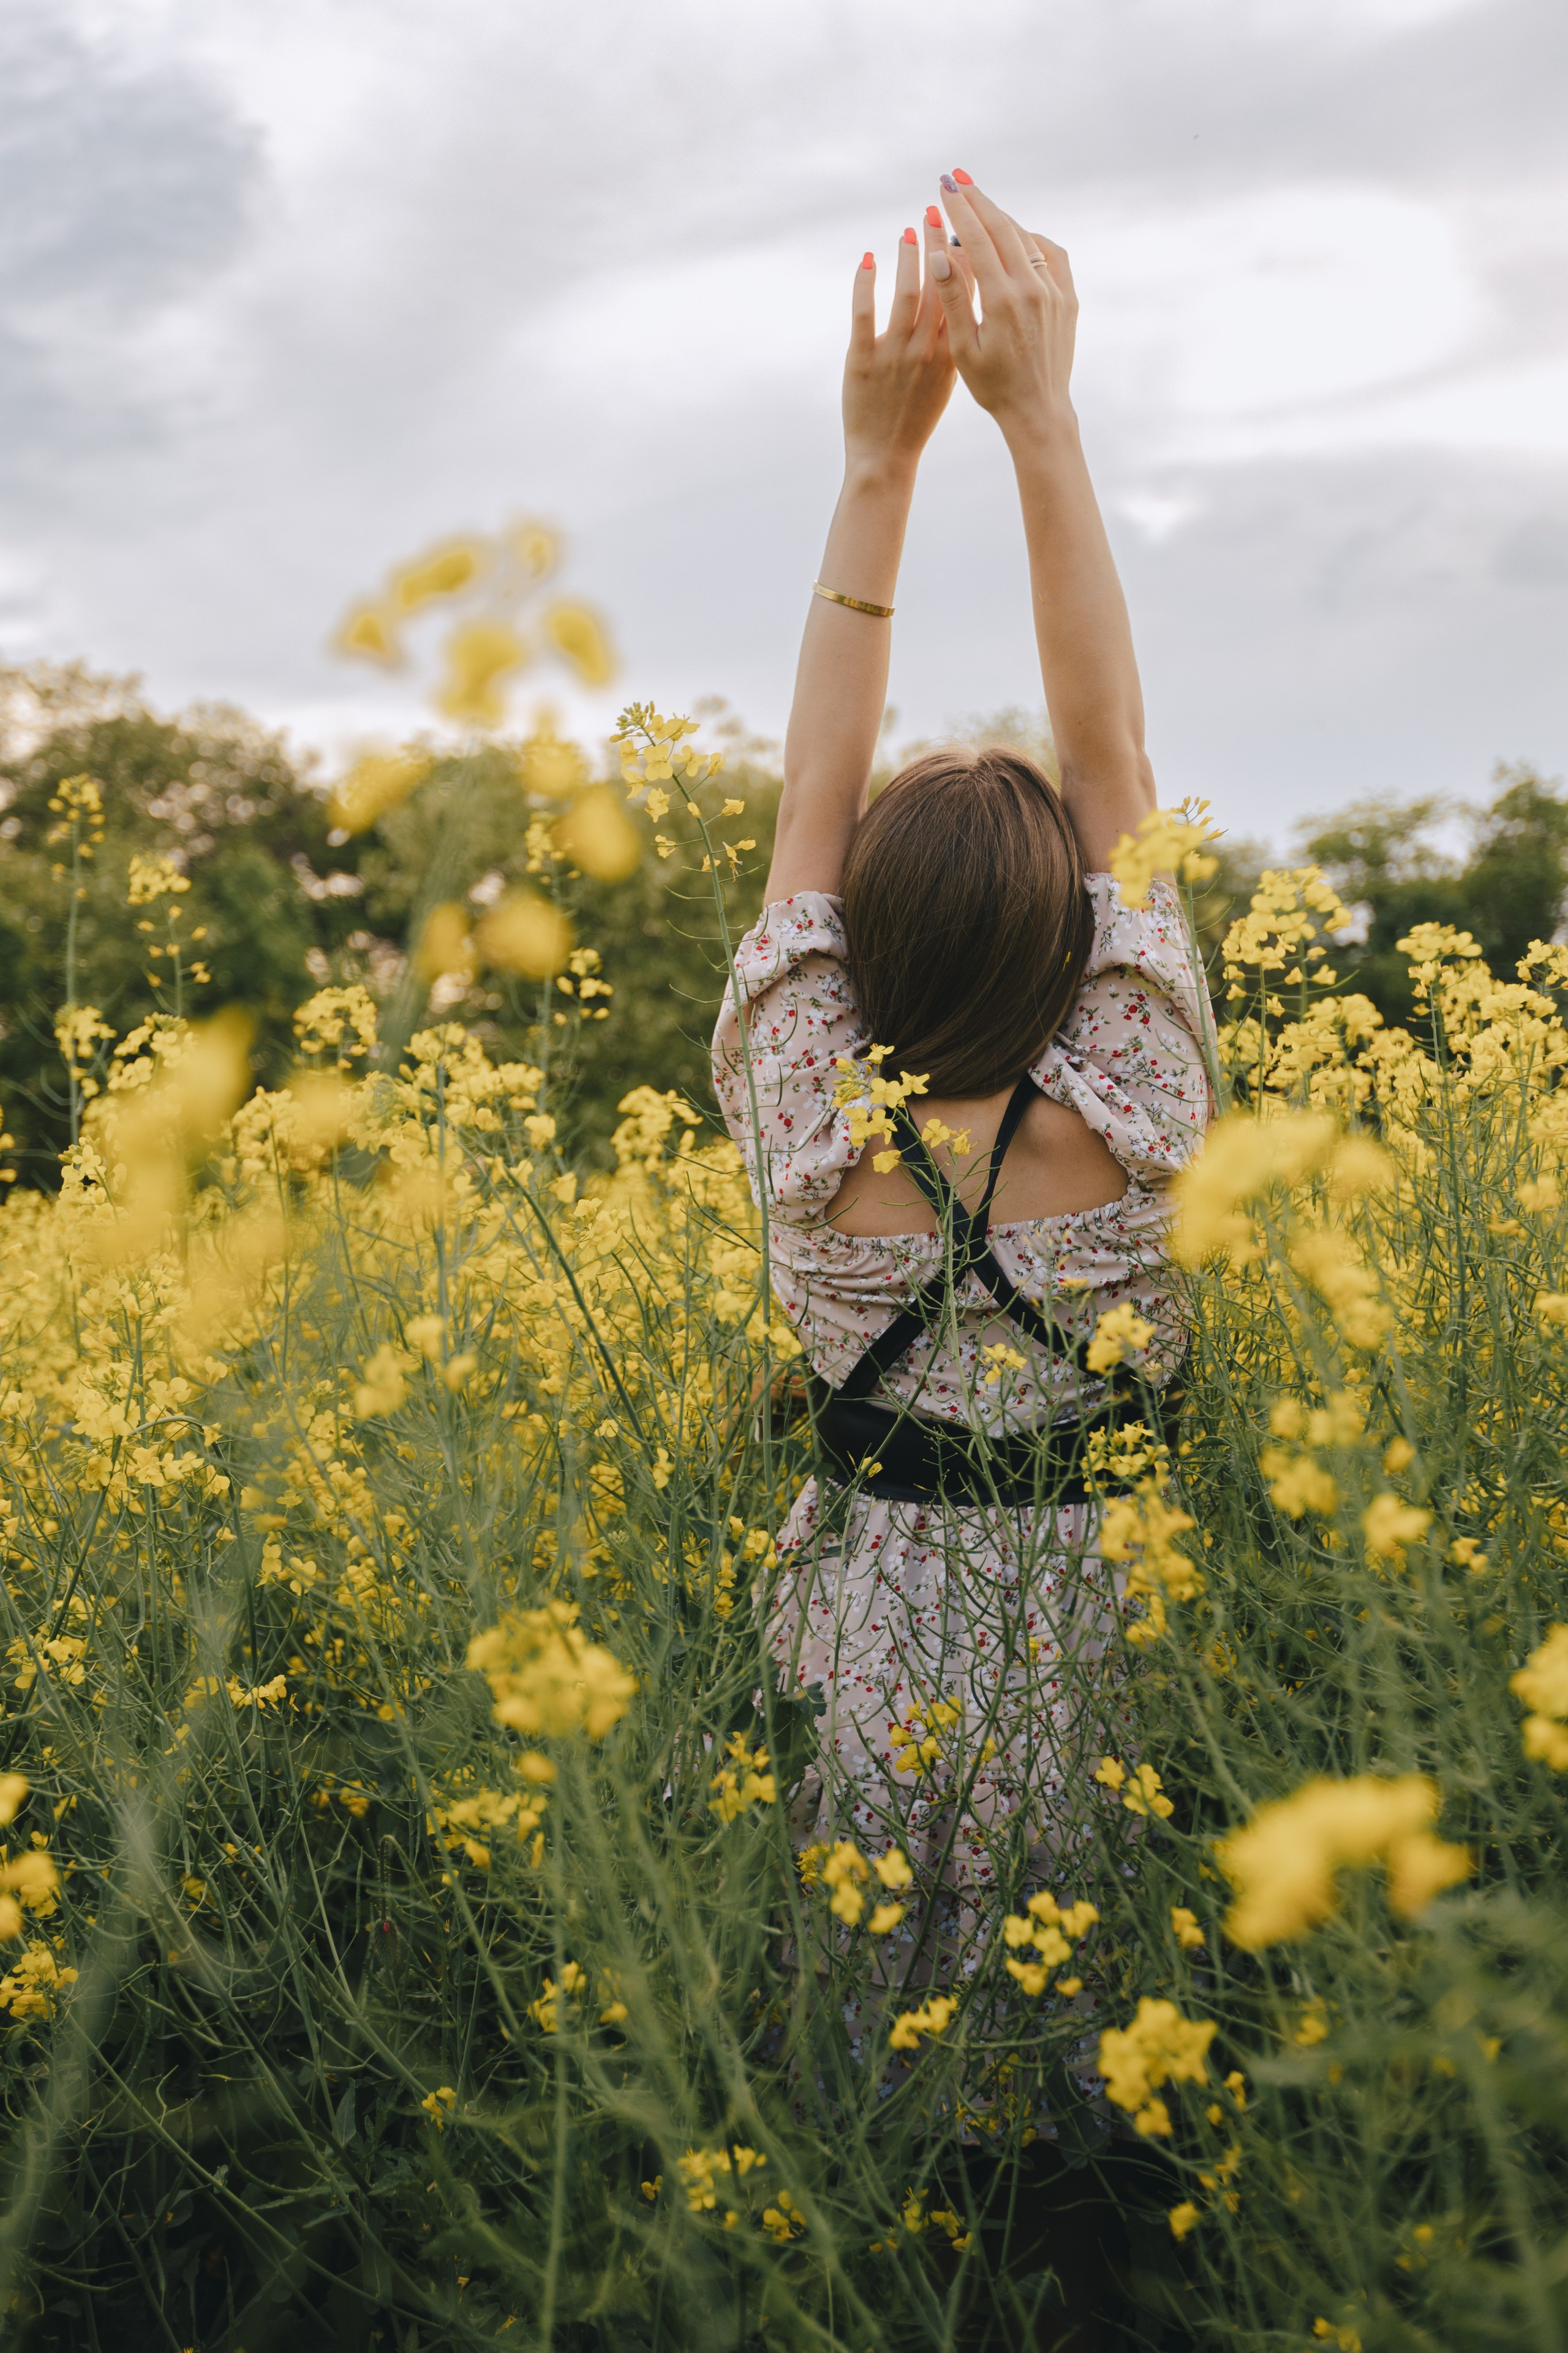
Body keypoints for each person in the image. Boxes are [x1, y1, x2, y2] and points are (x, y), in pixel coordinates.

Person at [711, 171, 1212, 1911]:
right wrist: (1039, 422)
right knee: (1100, 1983)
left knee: (870, 1993)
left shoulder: (809, 1132)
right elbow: (1113, 759)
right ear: (1083, 944)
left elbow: (809, 799)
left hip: (867, 1653)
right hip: (1116, 1639)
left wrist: (880, 463)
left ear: (856, 947)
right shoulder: (1138, 1111)